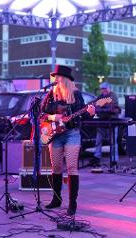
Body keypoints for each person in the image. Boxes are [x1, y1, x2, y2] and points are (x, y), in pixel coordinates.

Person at [41, 65, 95, 216]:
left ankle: (72, 204)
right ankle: (56, 199)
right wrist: (53, 117)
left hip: (72, 133)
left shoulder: (76, 95)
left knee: (71, 167)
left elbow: (83, 114)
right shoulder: (51, 94)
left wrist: (90, 113)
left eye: (57, 77)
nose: (55, 79)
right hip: (55, 135)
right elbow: (42, 114)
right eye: (55, 77)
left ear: (64, 79)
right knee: (56, 168)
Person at [91, 82, 121, 168]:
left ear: (109, 88)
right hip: (102, 122)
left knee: (113, 142)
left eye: (105, 89)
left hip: (112, 122)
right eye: (102, 89)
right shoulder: (101, 96)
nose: (103, 90)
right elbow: (94, 103)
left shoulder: (113, 95)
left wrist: (99, 106)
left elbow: (108, 105)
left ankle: (114, 160)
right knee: (98, 141)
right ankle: (96, 157)